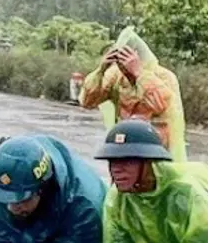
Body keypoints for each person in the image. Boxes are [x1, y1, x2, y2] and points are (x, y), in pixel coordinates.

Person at [79, 28, 187, 160]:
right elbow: (87, 101)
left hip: (157, 150)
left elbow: (160, 103)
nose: (122, 66)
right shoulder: (116, 77)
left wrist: (138, 74)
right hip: (125, 147)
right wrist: (101, 70)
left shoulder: (164, 76)